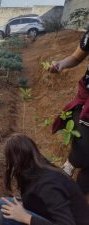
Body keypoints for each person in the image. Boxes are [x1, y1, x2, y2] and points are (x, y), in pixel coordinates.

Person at [0, 134, 89, 225]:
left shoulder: (48, 185)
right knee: (1, 204)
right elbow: (37, 197)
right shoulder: (38, 169)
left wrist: (26, 217)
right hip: (52, 217)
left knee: (8, 218)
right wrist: (20, 203)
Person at [48, 30, 89, 195]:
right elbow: (77, 57)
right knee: (83, 150)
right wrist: (61, 64)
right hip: (86, 99)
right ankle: (70, 165)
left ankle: (79, 193)